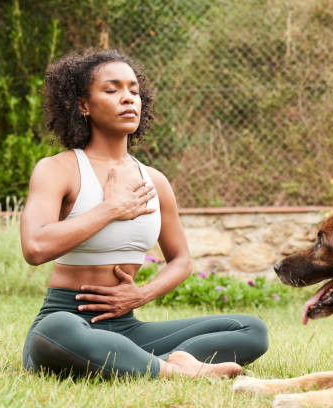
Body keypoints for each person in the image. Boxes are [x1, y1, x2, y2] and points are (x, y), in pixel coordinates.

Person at [20, 49, 268, 379]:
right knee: (55, 332)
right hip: (70, 317)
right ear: (83, 105)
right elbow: (35, 247)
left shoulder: (155, 181)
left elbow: (181, 260)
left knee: (251, 330)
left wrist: (141, 294)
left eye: (134, 91)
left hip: (126, 327)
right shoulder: (57, 169)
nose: (128, 99)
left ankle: (147, 363)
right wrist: (111, 208)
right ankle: (172, 369)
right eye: (112, 90)